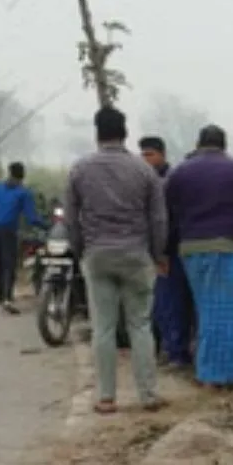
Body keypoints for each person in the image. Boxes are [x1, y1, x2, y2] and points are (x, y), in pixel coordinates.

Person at [64, 107, 168, 414]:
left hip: (97, 255)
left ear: (97, 133)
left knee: (104, 328)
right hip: (136, 255)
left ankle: (106, 397)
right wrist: (158, 253)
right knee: (140, 325)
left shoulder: (80, 169)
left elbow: (71, 219)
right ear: (125, 133)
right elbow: (159, 219)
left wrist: (81, 249)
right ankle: (148, 395)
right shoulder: (143, 171)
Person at [164, 125, 233, 389]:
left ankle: (210, 371)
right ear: (224, 145)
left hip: (190, 251)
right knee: (229, 313)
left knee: (206, 308)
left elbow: (167, 217)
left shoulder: (179, 173)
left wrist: (166, 250)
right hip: (227, 248)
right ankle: (217, 376)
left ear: (198, 144)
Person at [139, 136, 195, 368]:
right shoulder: (143, 180)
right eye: (143, 155)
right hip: (155, 251)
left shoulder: (172, 180)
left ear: (162, 155)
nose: (146, 160)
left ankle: (178, 353)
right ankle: (169, 349)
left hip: (174, 250)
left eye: (150, 154)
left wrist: (164, 251)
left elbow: (170, 220)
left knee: (173, 303)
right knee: (162, 305)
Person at [0, 162, 43, 313]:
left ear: (9, 173)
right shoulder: (23, 192)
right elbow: (31, 217)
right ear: (22, 176)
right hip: (8, 231)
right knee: (9, 264)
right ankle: (7, 299)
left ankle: (1, 297)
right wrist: (46, 224)